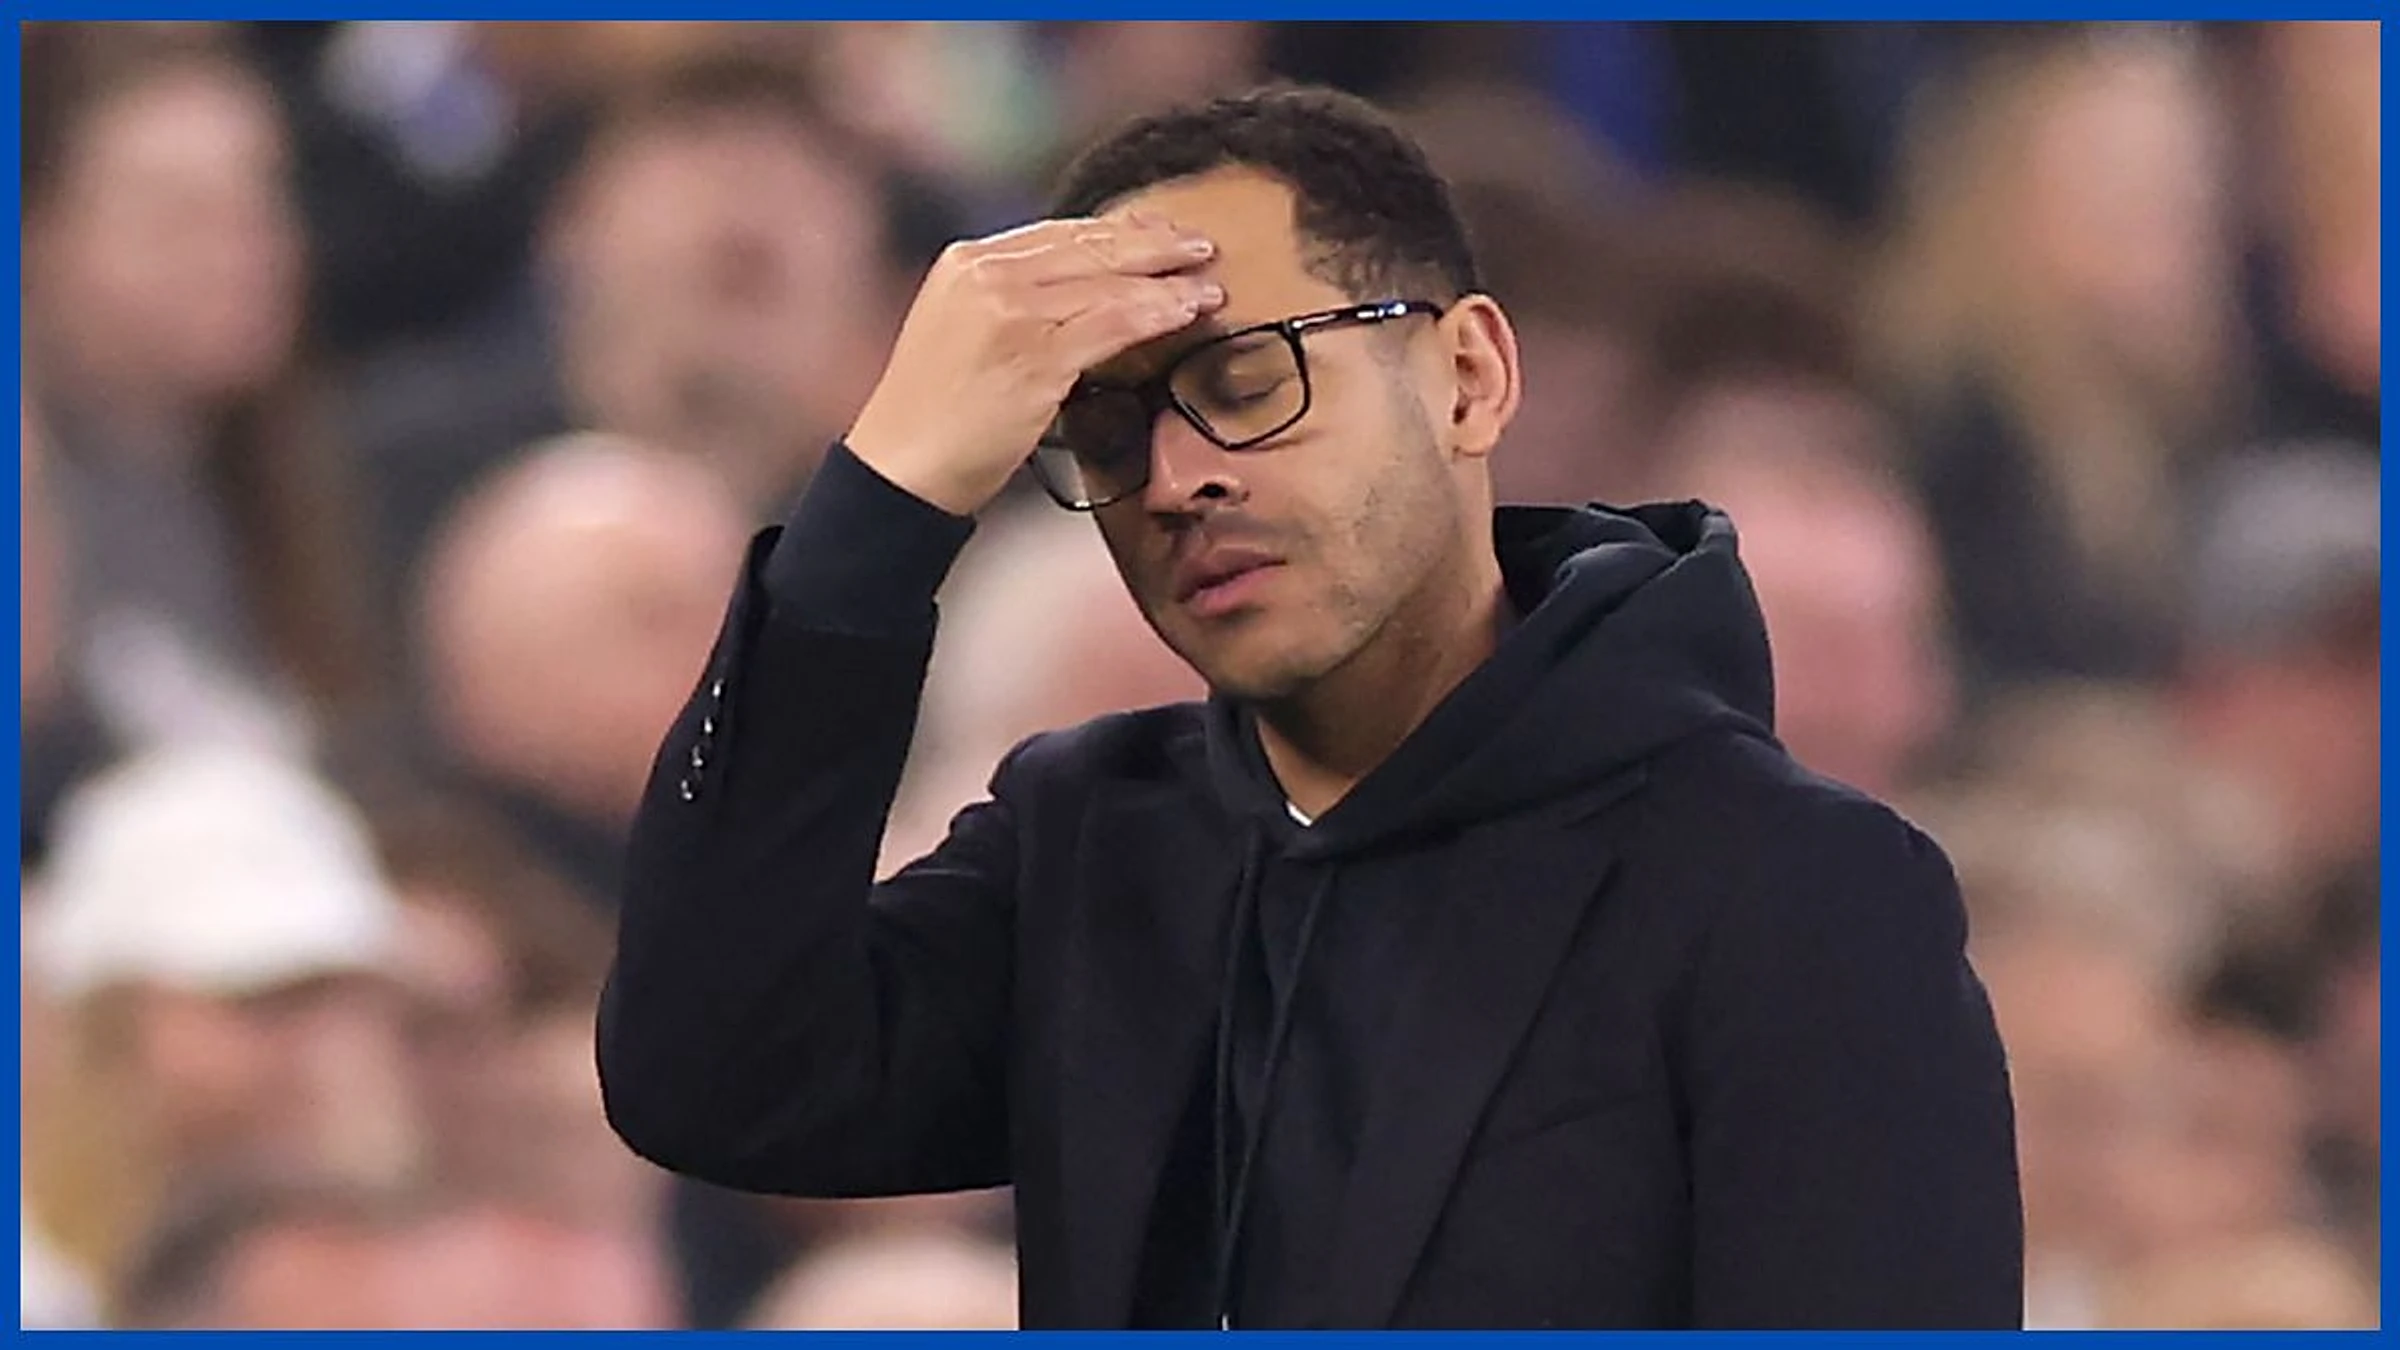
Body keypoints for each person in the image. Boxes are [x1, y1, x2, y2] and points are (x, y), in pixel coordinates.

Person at [598, 84, 2022, 1330]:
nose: (1176, 479)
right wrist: (884, 503)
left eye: (1246, 381)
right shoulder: (1094, 842)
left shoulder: (1788, 888)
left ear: (1469, 377)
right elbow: (714, 1073)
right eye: (1106, 432)